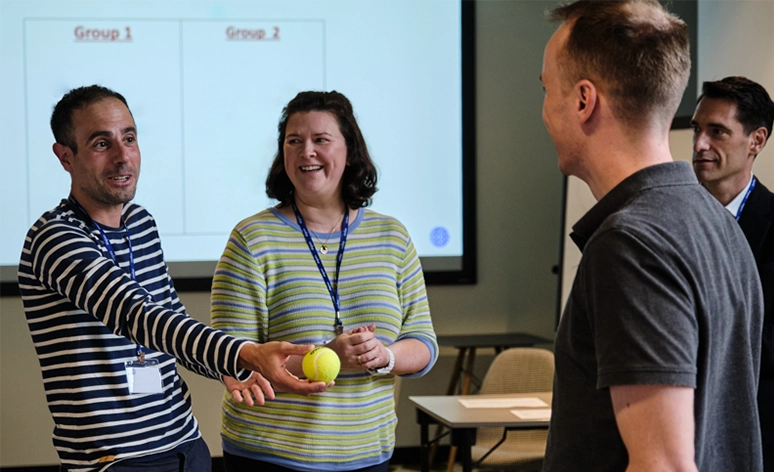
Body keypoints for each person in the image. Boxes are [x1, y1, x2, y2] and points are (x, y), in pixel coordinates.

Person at [18, 85, 329, 472]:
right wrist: (244, 353)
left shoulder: (141, 224)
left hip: (185, 444)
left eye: (129, 138)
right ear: (65, 156)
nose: (122, 156)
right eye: (102, 143)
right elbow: (138, 315)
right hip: (115, 460)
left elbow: (171, 318)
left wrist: (227, 368)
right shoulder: (55, 237)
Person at [540, 1, 764, 470]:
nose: (543, 111)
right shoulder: (717, 221)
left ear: (583, 101)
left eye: (547, 90)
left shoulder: (631, 245)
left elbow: (663, 464)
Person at [210, 90, 438, 472]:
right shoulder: (252, 238)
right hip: (270, 455)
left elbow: (424, 344)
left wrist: (385, 357)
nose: (306, 152)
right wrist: (328, 356)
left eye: (321, 140)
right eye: (294, 141)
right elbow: (233, 362)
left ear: (349, 151)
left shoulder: (392, 236)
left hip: (367, 453)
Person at [691, 76, 774, 470]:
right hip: (684, 433)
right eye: (697, 129)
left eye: (717, 131)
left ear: (756, 141)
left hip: (758, 437)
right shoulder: (676, 222)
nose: (699, 145)